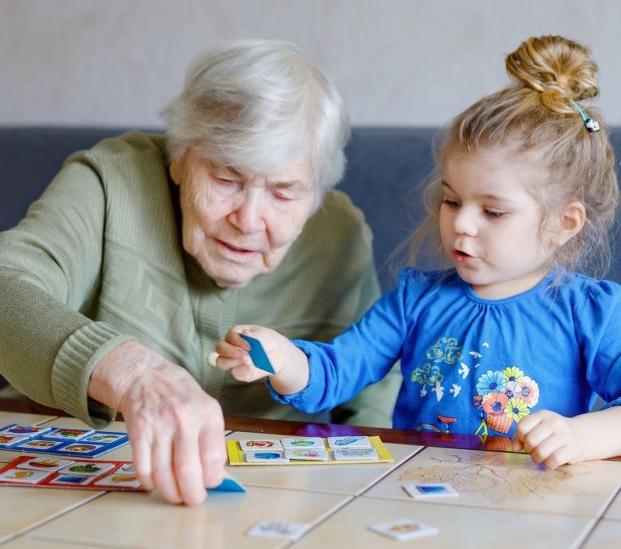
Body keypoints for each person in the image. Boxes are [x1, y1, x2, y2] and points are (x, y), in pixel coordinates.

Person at [0, 40, 401, 505]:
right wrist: (131, 373)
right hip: (82, 486)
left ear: (316, 195)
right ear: (179, 156)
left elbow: (373, 404)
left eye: (285, 192)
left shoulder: (339, 236)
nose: (249, 220)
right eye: (227, 178)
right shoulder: (111, 183)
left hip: (268, 505)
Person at [216, 34, 621, 469]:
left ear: (564, 223)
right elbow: (335, 373)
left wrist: (580, 437)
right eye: (451, 201)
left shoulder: (591, 313)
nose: (461, 223)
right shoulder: (414, 301)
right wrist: (282, 358)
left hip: (529, 511)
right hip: (421, 504)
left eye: (493, 211)